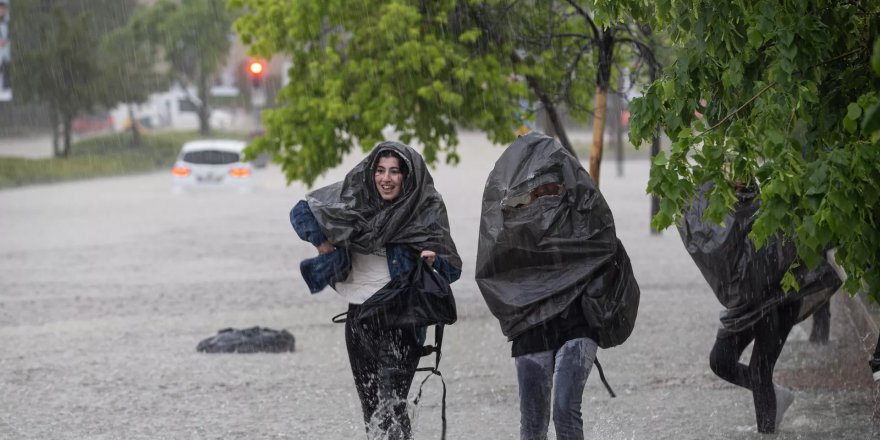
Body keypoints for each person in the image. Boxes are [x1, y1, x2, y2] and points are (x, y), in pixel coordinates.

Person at [290, 141, 461, 440]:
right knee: (371, 412)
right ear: (371, 174)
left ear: (407, 177)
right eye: (380, 170)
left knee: (393, 410)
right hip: (358, 319)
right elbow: (301, 210)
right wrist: (323, 244)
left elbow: (452, 269)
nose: (386, 178)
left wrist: (432, 259)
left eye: (395, 172)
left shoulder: (425, 209)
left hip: (401, 319)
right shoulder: (355, 202)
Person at [476, 132, 637, 440]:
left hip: (578, 323)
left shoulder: (586, 217)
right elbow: (494, 274)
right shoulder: (512, 227)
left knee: (564, 409)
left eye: (549, 181)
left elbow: (610, 260)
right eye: (533, 183)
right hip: (531, 328)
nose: (542, 190)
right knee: (533, 427)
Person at [678, 181, 842, 434]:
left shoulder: (765, 200)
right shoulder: (722, 205)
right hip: (748, 298)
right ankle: (776, 397)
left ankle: (766, 430)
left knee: (760, 369)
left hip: (781, 293)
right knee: (720, 360)